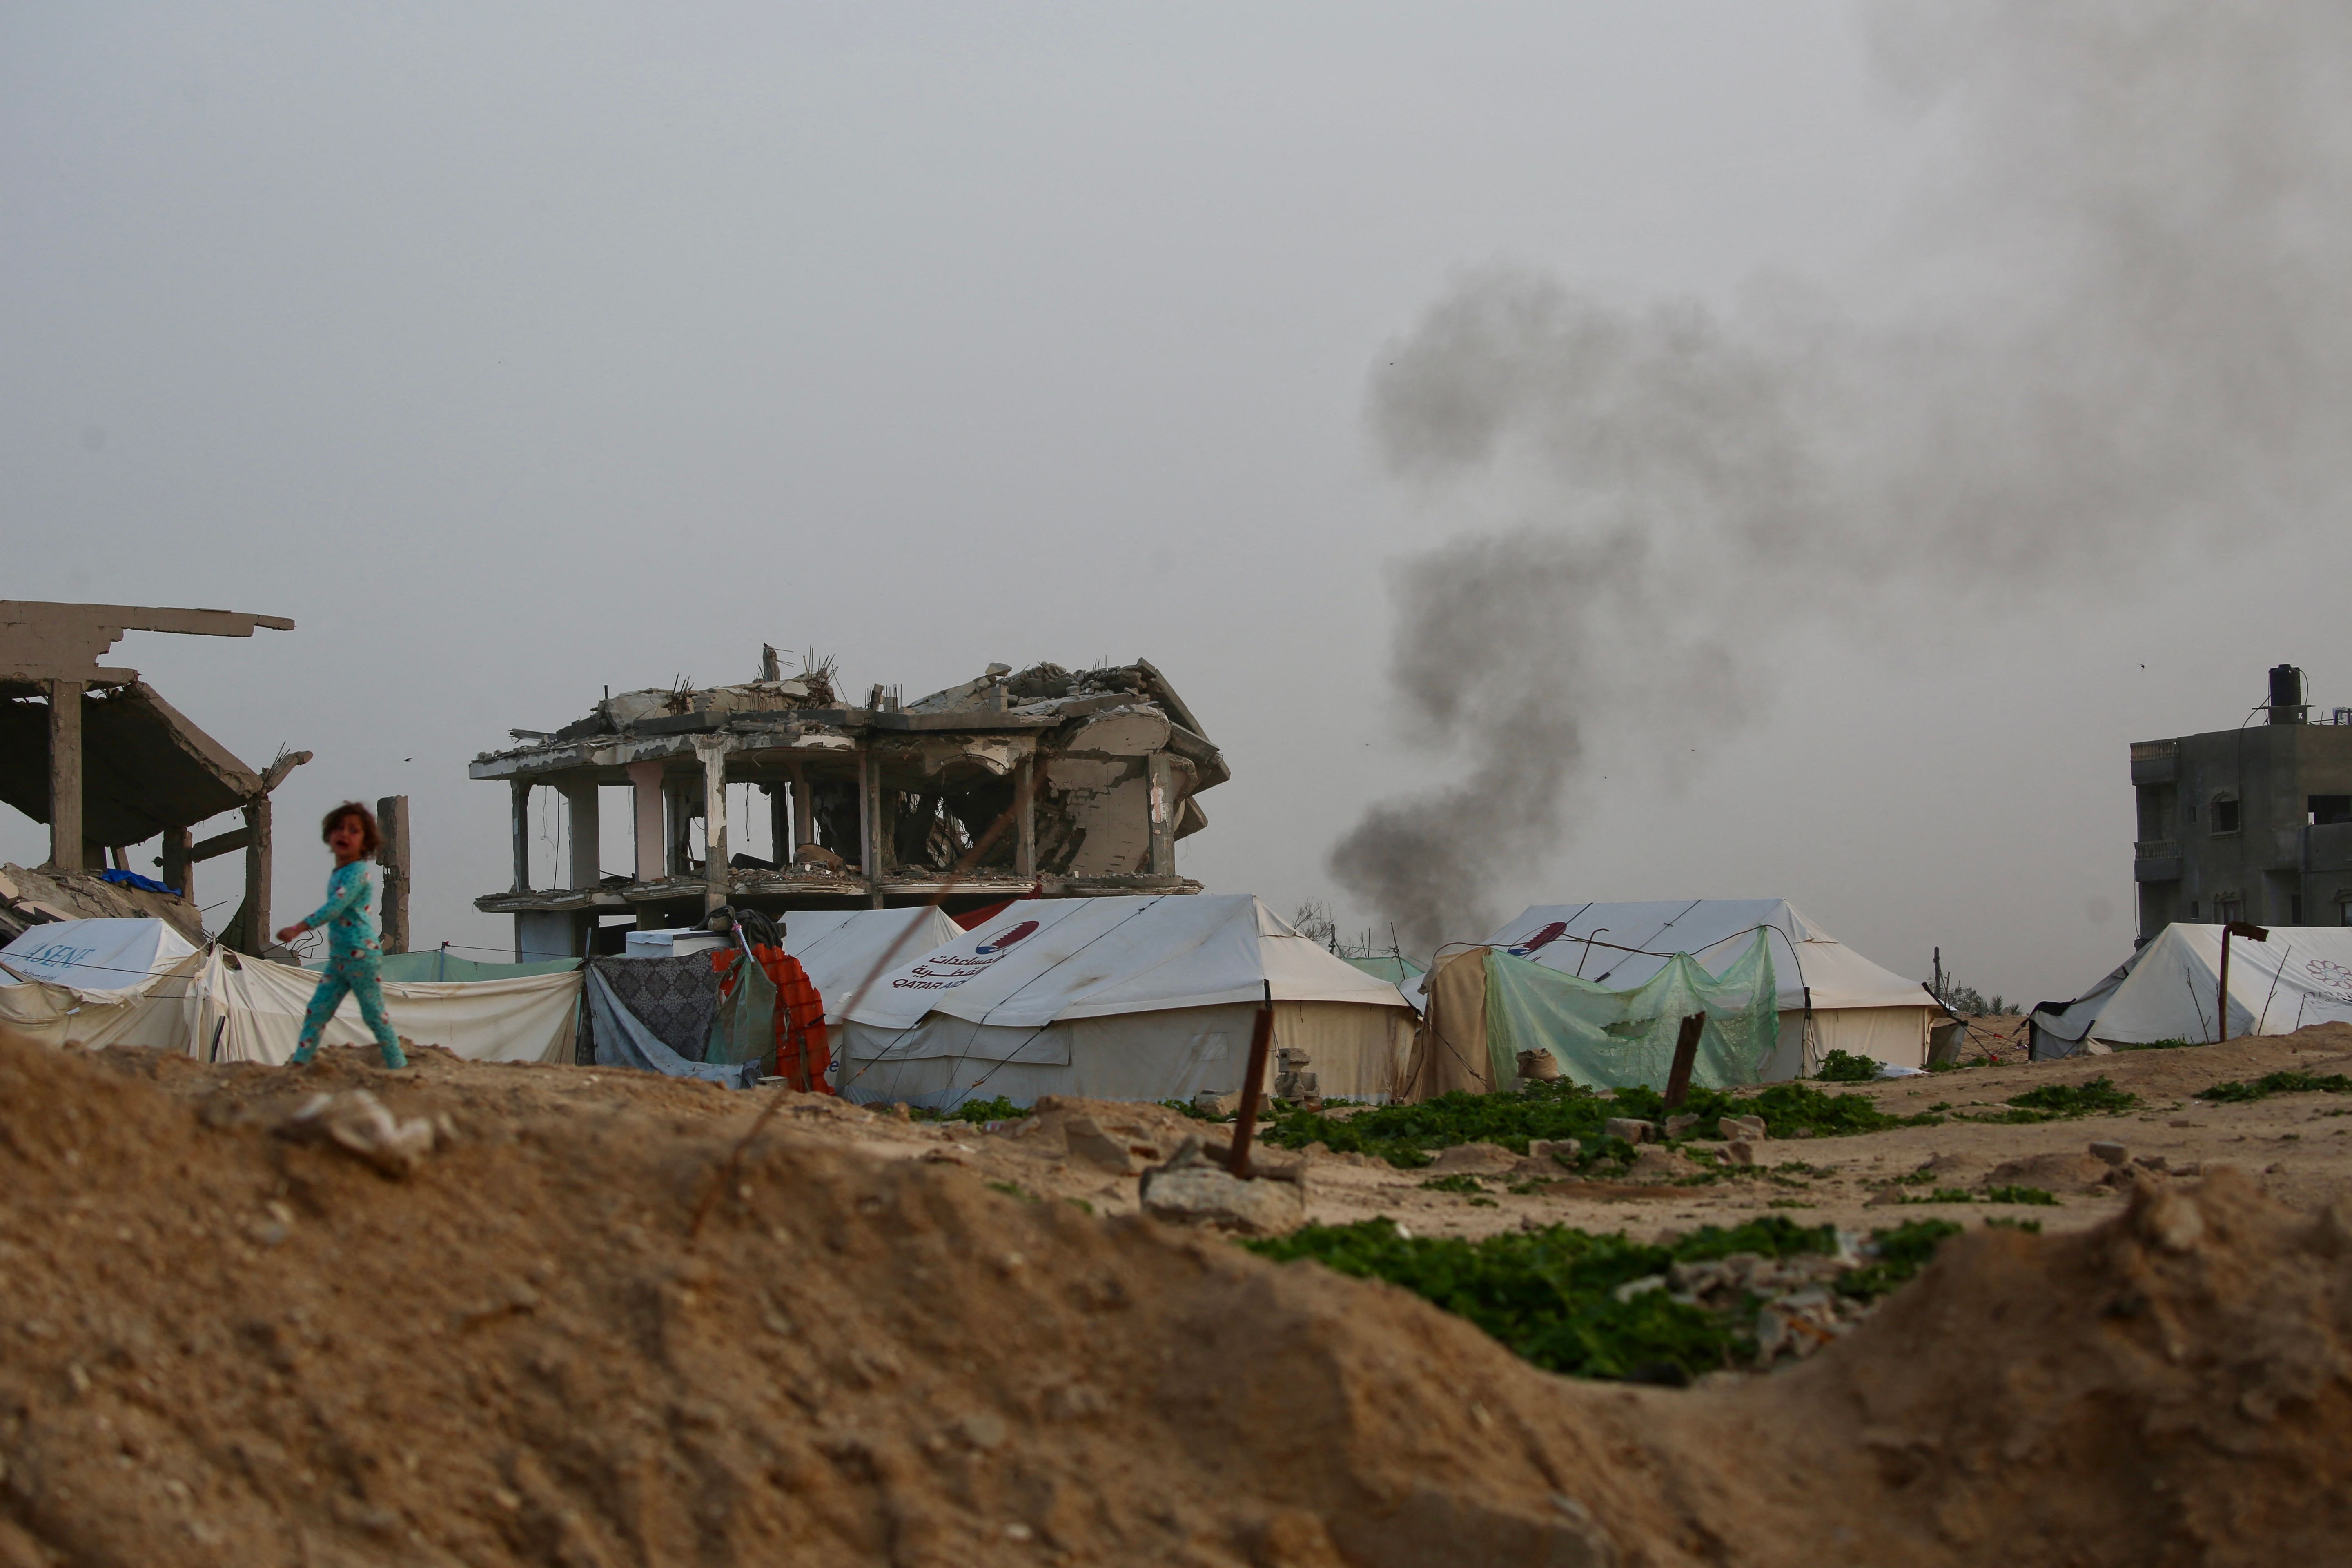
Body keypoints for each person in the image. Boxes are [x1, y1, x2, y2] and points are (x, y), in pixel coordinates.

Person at [276, 802, 407, 1068]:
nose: (344, 834)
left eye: (353, 830)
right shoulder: (340, 872)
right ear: (329, 835)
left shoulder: (357, 873)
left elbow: (335, 907)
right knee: (318, 1010)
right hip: (340, 958)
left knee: (374, 1014)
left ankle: (398, 1064)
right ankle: (300, 1064)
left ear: (366, 841)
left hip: (361, 955)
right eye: (339, 828)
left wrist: (299, 928)